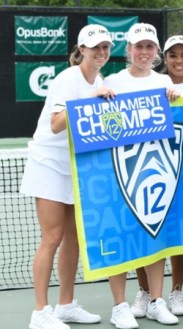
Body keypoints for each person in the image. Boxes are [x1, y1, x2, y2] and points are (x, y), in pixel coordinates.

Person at [21, 23, 113, 329]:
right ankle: (39, 312)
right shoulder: (68, 79)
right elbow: (57, 124)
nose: (102, 52)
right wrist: (92, 101)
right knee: (53, 236)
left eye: (106, 47)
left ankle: (65, 305)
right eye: (96, 47)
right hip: (48, 162)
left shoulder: (99, 79)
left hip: (76, 166)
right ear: (82, 49)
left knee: (74, 236)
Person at [103, 22, 181, 328]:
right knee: (120, 239)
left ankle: (156, 302)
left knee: (155, 238)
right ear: (129, 51)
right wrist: (101, 95)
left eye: (150, 47)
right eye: (139, 47)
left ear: (156, 51)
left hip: (156, 173)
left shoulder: (164, 82)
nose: (144, 52)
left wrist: (175, 98)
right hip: (121, 173)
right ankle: (119, 306)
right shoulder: (113, 81)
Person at [131, 34, 183, 319]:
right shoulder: (157, 85)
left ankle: (176, 291)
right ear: (165, 58)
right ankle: (146, 292)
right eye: (173, 55)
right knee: (145, 227)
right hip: (151, 167)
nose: (179, 61)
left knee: (179, 232)